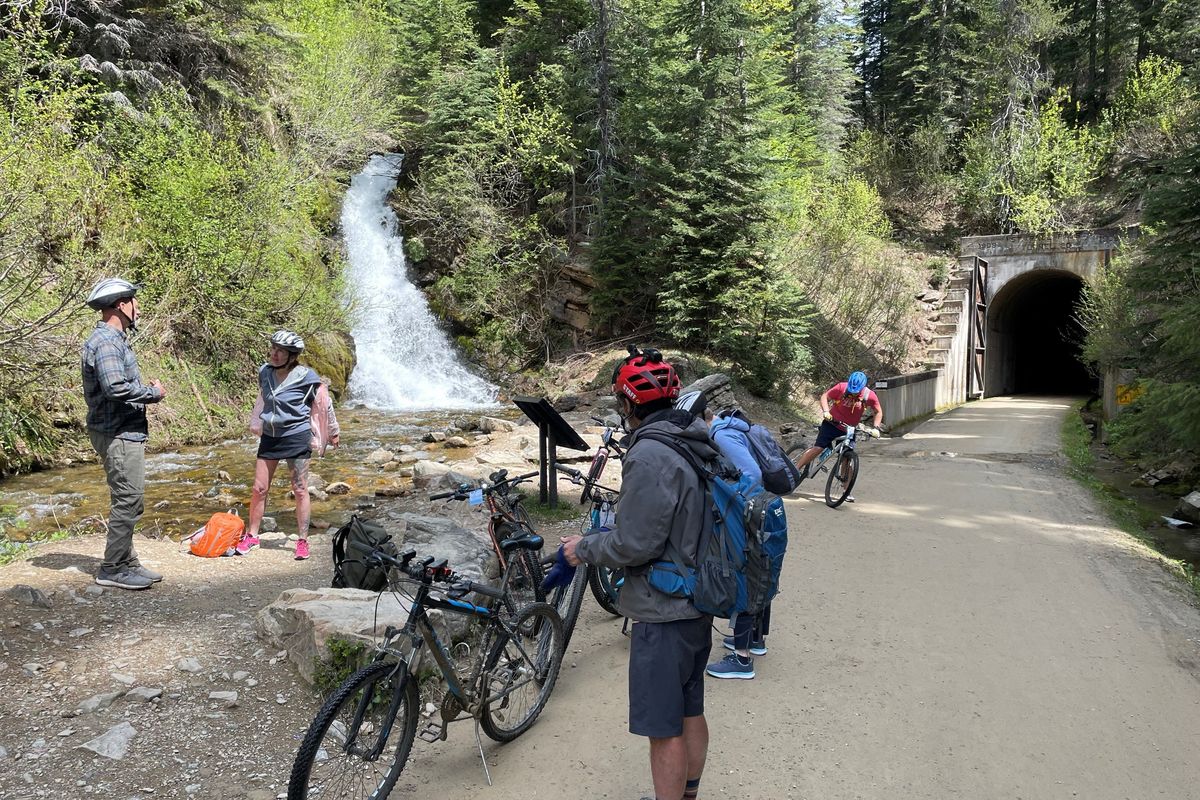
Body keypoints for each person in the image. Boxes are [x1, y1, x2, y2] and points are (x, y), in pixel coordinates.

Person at [562, 347, 715, 800]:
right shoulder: (693, 434)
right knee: (689, 709)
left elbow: (634, 544)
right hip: (699, 595)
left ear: (628, 405)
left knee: (662, 726)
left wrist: (582, 548)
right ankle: (688, 793)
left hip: (663, 606)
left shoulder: (649, 454)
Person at [676, 391, 778, 681]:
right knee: (756, 570)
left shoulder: (719, 437)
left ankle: (742, 660)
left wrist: (727, 498)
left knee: (742, 573)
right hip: (756, 508)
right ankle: (754, 641)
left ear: (699, 420)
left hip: (746, 508)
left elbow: (750, 474)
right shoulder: (727, 429)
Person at [81, 277, 167, 591]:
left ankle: (127, 561)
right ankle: (112, 568)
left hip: (123, 431)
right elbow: (116, 387)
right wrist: (153, 393)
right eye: (135, 300)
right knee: (128, 500)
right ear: (122, 305)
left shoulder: (114, 339)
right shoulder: (105, 341)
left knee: (130, 499)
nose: (138, 307)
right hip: (117, 433)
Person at [240, 330, 335, 560]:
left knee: (300, 490)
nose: (274, 354)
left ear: (292, 355)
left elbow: (324, 403)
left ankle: (302, 541)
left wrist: (333, 431)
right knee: (259, 489)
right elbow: (262, 399)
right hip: (271, 436)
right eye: (273, 348)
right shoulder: (264, 372)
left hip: (296, 435)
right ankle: (252, 536)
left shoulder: (307, 376)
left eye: (280, 351)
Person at [793, 371, 884, 489]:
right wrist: (826, 411)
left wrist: (876, 427)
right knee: (818, 448)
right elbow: (825, 396)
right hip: (831, 424)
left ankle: (846, 490)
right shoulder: (841, 387)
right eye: (851, 391)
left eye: (856, 392)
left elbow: (878, 411)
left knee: (846, 457)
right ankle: (794, 471)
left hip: (849, 429)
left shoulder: (869, 395)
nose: (853, 393)